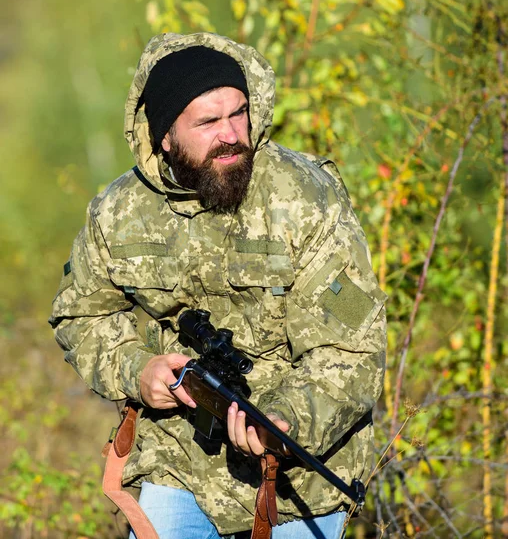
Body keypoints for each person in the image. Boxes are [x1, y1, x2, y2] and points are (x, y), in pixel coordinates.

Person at [49, 32, 387, 539]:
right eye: (207, 122)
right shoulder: (118, 211)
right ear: (164, 136)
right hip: (175, 463)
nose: (231, 134)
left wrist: (285, 420)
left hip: (296, 483)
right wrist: (136, 369)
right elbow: (80, 313)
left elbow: (353, 349)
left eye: (239, 113)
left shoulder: (306, 200)